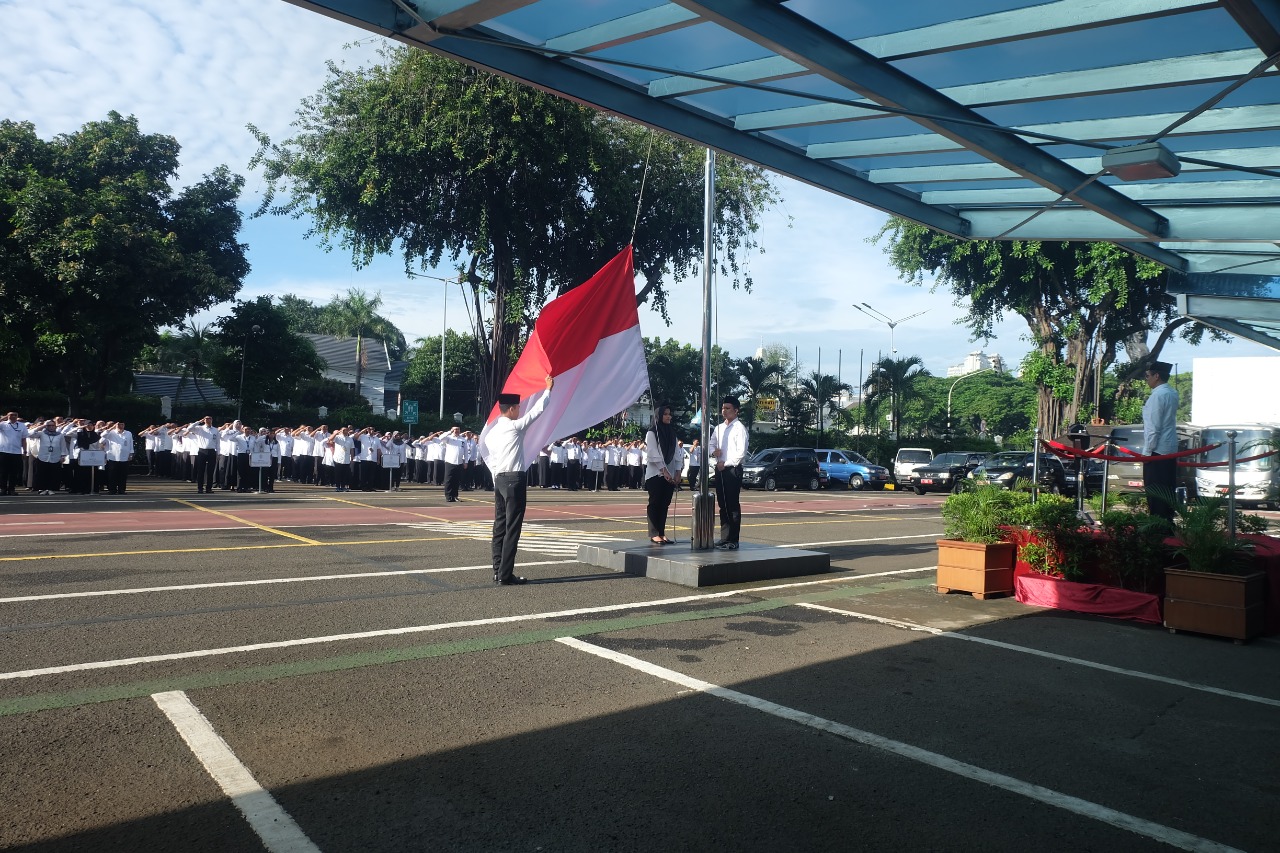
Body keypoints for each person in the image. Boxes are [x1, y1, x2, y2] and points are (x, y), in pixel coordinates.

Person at [481, 374, 554, 585]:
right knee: (513, 528)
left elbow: (492, 459)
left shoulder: (492, 433)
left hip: (500, 479)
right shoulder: (514, 426)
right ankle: (505, 574)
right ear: (511, 409)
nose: (520, 411)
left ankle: (497, 570)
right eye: (518, 408)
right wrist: (548, 389)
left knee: (500, 526)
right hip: (515, 479)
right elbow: (538, 412)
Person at [709, 395, 749, 550]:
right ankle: (724, 537)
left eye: (728, 408)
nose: (724, 411)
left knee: (732, 505)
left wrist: (725, 463)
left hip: (732, 469)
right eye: (723, 408)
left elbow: (741, 453)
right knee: (722, 504)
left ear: (736, 410)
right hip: (720, 468)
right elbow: (711, 444)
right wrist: (714, 452)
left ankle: (733, 539)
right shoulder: (719, 428)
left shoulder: (740, 429)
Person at [1142, 360, 1180, 523]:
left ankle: (1158, 527)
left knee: (1155, 492)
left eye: (1148, 376)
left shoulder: (1158, 395)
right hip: (1169, 448)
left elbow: (1153, 427)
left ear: (1157, 376)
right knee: (1167, 490)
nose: (1147, 379)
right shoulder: (1172, 393)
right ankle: (1167, 524)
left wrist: (1147, 452)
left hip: (1157, 450)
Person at [644, 403, 683, 544]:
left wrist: (677, 471)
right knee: (655, 503)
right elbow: (653, 454)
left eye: (669, 414)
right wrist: (664, 470)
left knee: (664, 504)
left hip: (670, 475)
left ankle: (661, 532)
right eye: (665, 414)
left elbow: (678, 454)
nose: (668, 416)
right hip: (655, 474)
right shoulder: (652, 433)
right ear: (659, 416)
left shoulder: (672, 433)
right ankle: (653, 533)